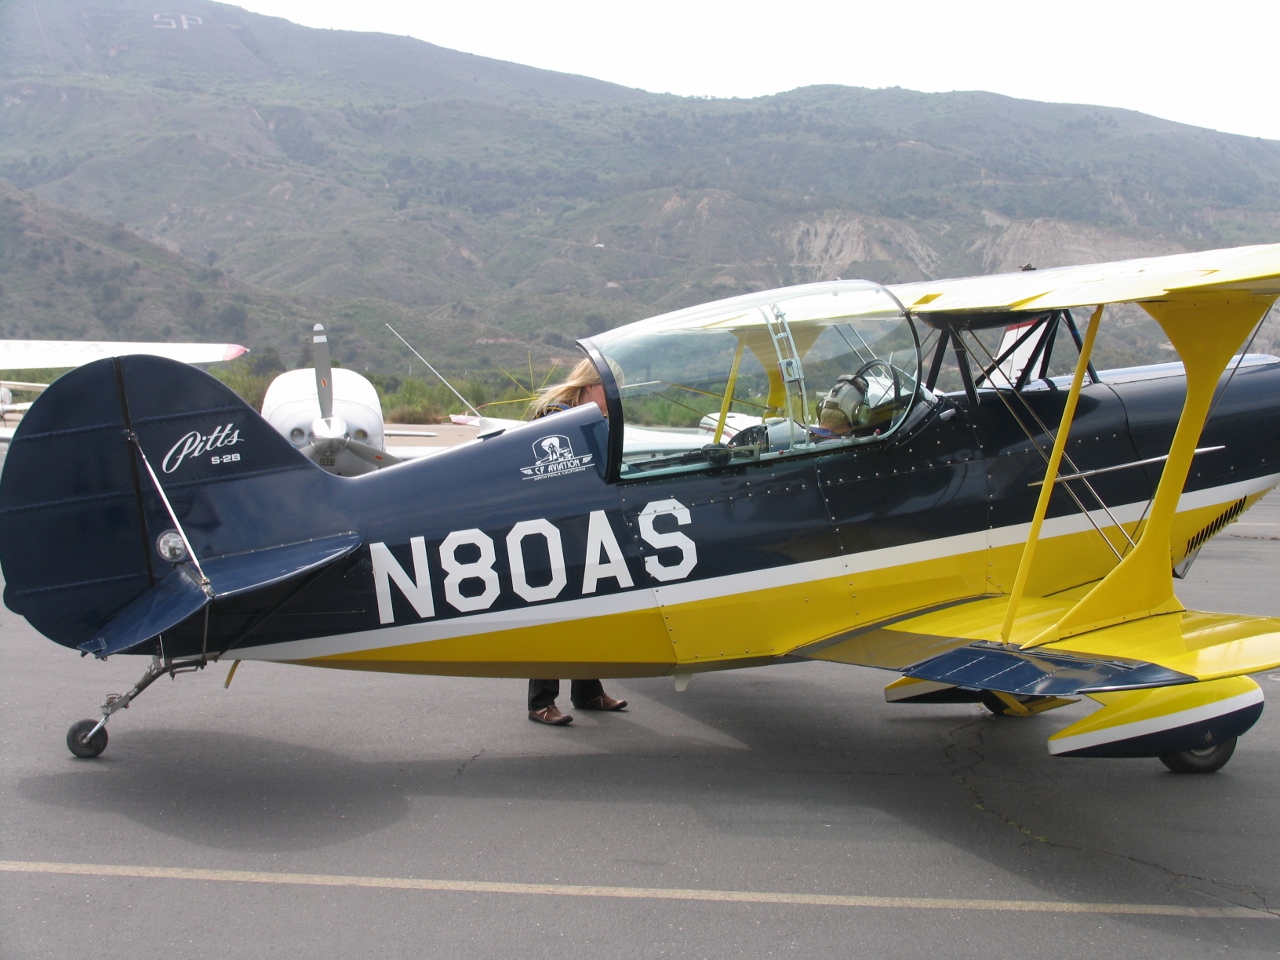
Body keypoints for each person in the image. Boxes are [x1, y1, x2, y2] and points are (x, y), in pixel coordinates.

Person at [525, 358, 628, 726]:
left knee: (591, 608)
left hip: (581, 527)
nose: (613, 396)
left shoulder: (588, 419)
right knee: (555, 612)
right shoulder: (556, 420)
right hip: (554, 530)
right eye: (609, 388)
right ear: (590, 386)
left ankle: (587, 690)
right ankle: (541, 701)